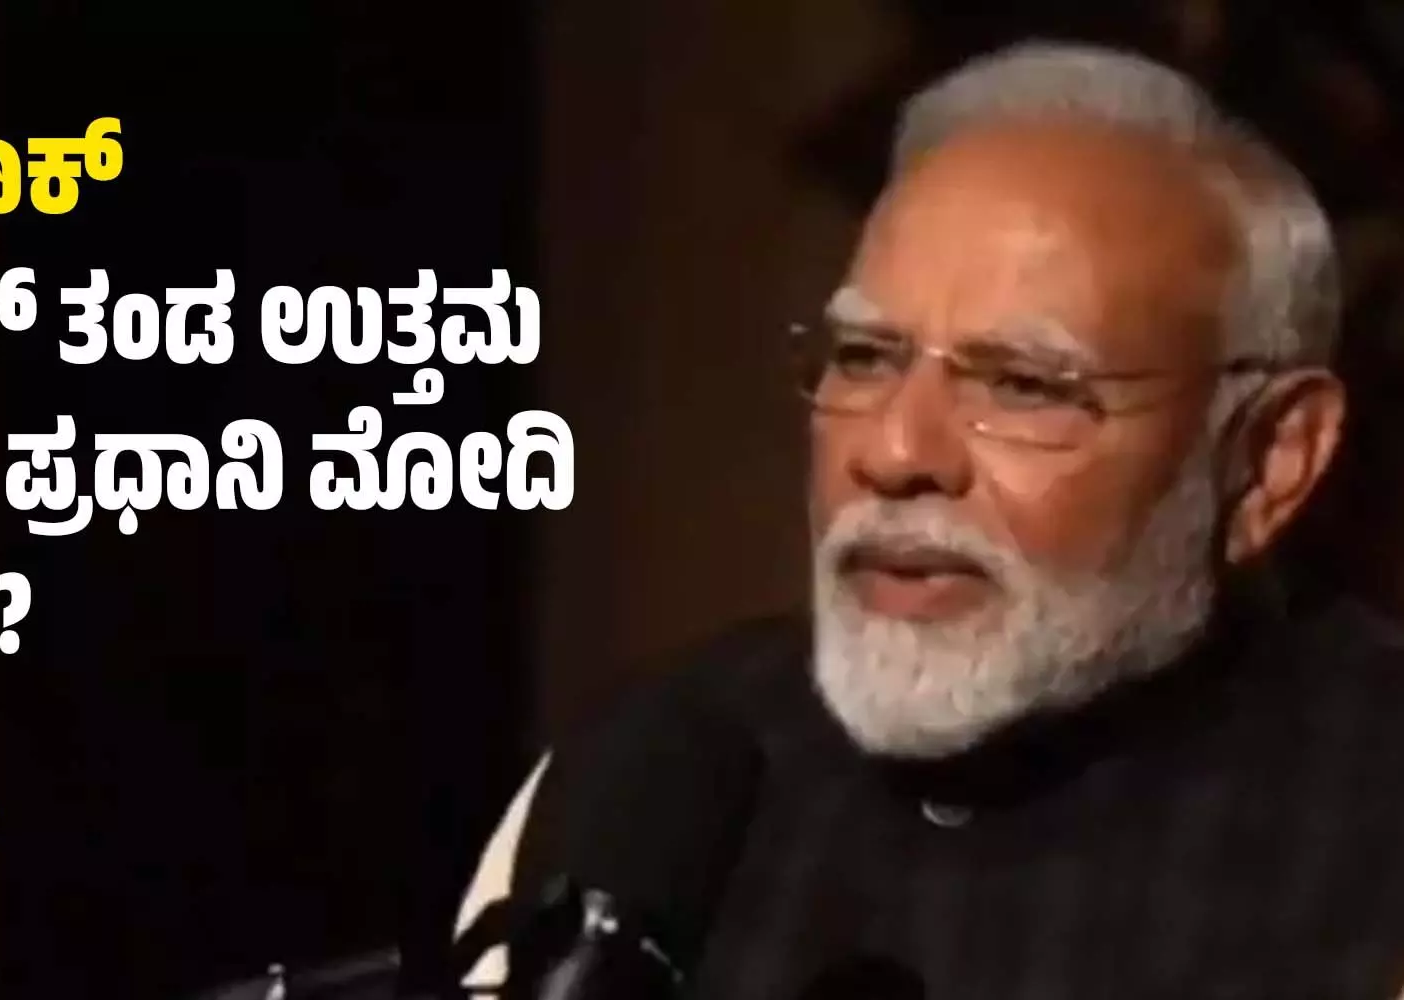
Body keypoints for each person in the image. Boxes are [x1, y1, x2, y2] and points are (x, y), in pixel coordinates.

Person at [456, 41, 1404, 999]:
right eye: (864, 357)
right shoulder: (651, 778)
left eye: (1024, 385)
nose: (895, 452)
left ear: (1270, 458)